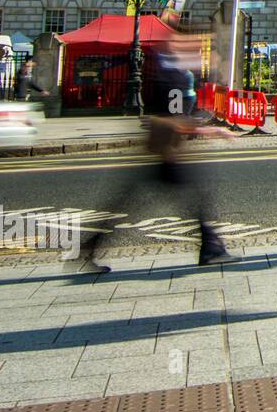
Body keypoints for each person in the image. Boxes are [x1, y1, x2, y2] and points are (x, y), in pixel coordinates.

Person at [79, 40, 235, 274]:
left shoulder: (173, 75)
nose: (204, 58)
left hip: (162, 152)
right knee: (195, 200)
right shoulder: (175, 79)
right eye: (199, 54)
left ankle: (91, 246)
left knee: (131, 203)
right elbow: (175, 121)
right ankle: (211, 248)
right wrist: (212, 130)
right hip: (167, 154)